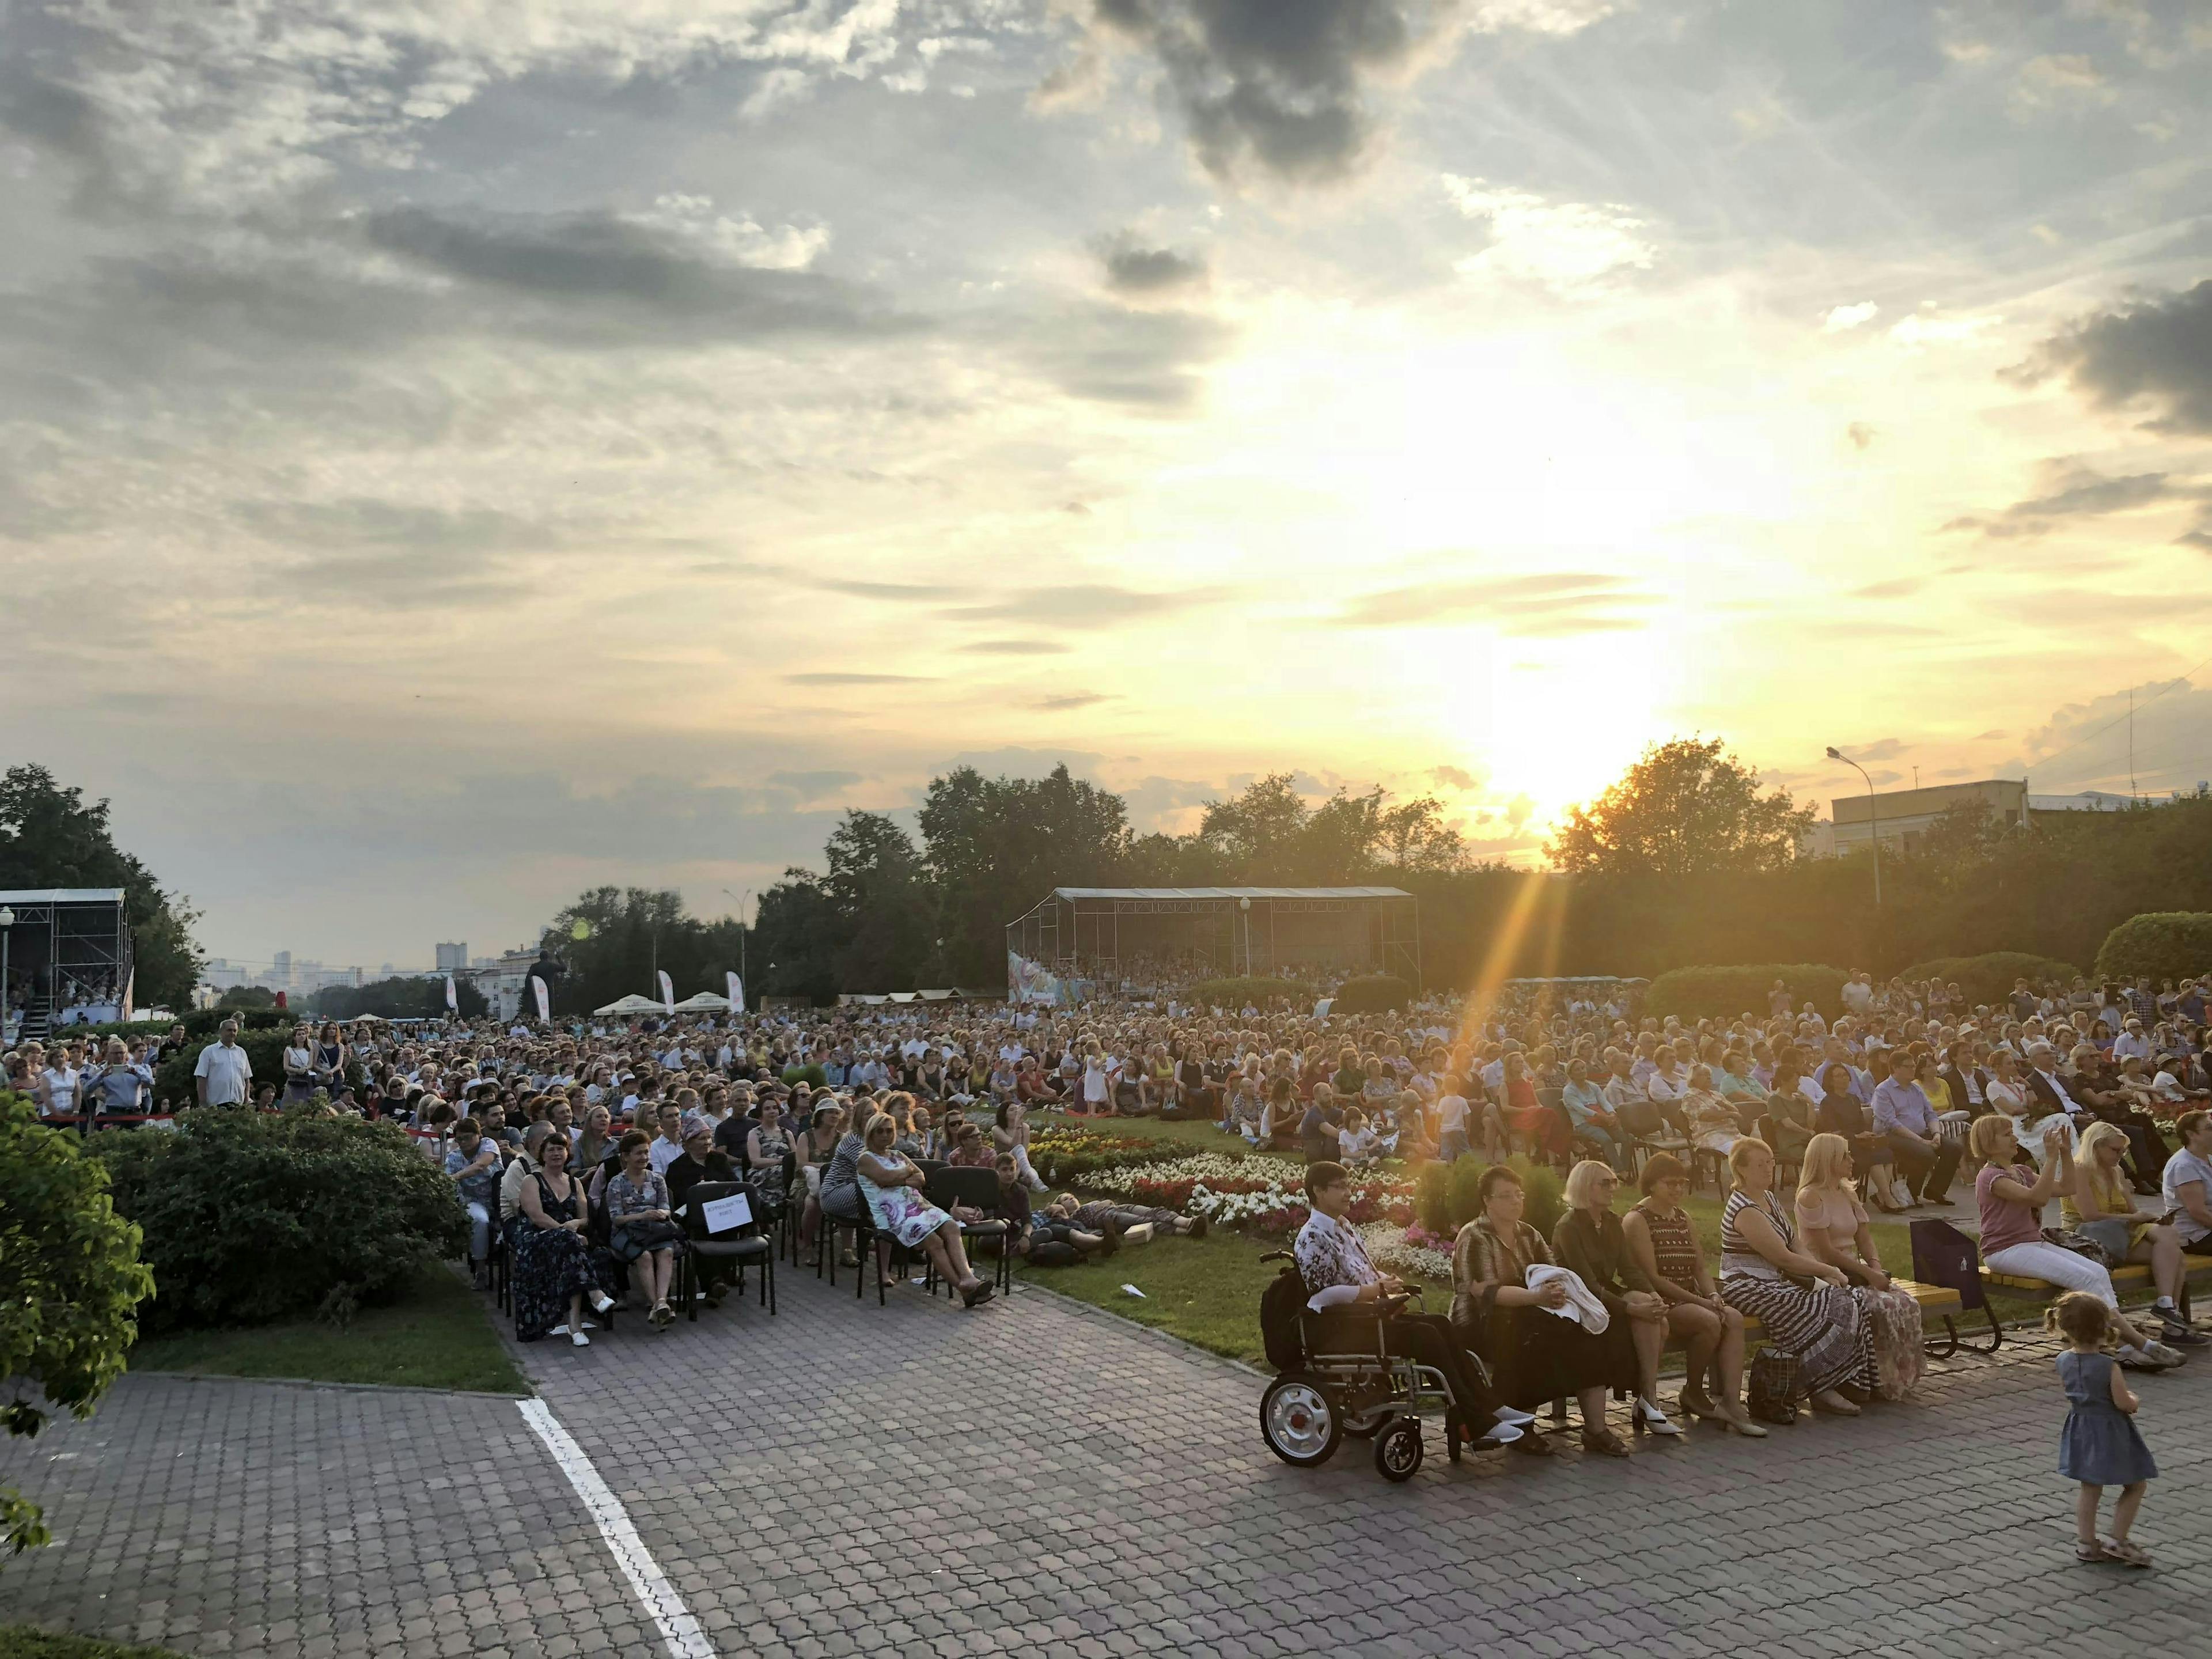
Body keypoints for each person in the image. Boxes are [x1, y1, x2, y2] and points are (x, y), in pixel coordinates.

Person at [1296, 1162, 1527, 1452]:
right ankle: (1478, 1420)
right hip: (1346, 1326)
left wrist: (1384, 1280)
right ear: (1318, 1191)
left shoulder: (1343, 1226)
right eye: (1340, 1187)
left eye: (1348, 1186)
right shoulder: (1312, 1236)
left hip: (1373, 1315)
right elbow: (1320, 1296)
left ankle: (1490, 1406)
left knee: (1441, 1325)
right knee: (1427, 1337)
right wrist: (1373, 1290)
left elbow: (1363, 1271)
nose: (1348, 1193)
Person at [1451, 1163, 1638, 1457]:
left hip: (1528, 1314)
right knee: (1530, 1341)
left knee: (1587, 1338)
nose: (1516, 1201)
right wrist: (1537, 1297)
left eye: (1518, 1194)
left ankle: (1596, 1429)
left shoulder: (1529, 1234)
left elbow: (1554, 1273)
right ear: (1487, 1201)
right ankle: (1521, 1427)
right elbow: (1485, 1292)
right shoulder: (1475, 1237)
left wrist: (1550, 1293)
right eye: (1506, 1196)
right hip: (1480, 1322)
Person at [1967, 1116, 2181, 1372]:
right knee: (2086, 1280)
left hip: (2032, 1243)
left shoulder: (2021, 1172)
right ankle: (2140, 1345)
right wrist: (2051, 1159)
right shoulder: (1991, 1176)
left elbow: (2066, 1186)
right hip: (2005, 1251)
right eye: (2006, 1134)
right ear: (1989, 1143)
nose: (2014, 1138)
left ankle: (2124, 1349)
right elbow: (2039, 1197)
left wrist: (2066, 1153)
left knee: (2098, 1272)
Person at [1718, 1137, 1878, 1416]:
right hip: (1747, 1285)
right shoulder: (1744, 1209)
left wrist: (1821, 1274)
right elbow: (1781, 1256)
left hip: (1777, 1280)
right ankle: (1819, 1386)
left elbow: (1795, 1244)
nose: (1768, 1169)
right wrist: (1827, 1270)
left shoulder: (1767, 1198)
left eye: (1770, 1162)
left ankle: (1846, 1379)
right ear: (1741, 1170)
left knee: (1846, 1299)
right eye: (1760, 1165)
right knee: (1812, 1306)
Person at [1621, 1154, 1763, 1436]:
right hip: (1658, 1297)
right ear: (1651, 1184)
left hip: (1690, 1295)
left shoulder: (1683, 1217)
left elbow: (1699, 1266)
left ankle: (1732, 1402)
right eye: (1669, 1184)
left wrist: (1712, 1294)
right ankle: (1694, 1391)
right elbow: (1653, 1277)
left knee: (1732, 1317)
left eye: (1681, 1184)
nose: (1677, 1190)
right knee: (1709, 1321)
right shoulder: (1638, 1219)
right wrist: (1700, 1301)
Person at [1550, 1160, 1681, 1436]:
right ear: (1586, 1187)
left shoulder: (1612, 1222)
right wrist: (1632, 1309)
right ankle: (1647, 1402)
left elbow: (1629, 1268)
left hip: (1605, 1292)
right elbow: (1586, 1284)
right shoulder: (1569, 1227)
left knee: (1656, 1314)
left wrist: (1653, 1296)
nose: (1613, 1189)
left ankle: (1648, 1399)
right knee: (1649, 1317)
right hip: (1578, 1300)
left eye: (1614, 1182)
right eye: (1605, 1183)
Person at [1794, 1133, 1926, 1399]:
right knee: (1881, 1307)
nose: (1852, 1160)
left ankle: (1896, 1376)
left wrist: (1875, 1267)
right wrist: (1867, 1273)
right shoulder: (1810, 1197)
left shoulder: (1847, 1191)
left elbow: (1864, 1237)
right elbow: (1825, 1251)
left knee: (1907, 1304)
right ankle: (1871, 1379)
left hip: (1855, 1268)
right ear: (1828, 1159)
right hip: (1826, 1273)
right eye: (1845, 1155)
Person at [2063, 1121, 2203, 1349]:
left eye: (2124, 1151)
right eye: (2115, 1150)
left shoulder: (2116, 1171)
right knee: (2175, 1254)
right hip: (2086, 1235)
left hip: (2120, 1233)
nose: (2121, 1155)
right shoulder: (2079, 1169)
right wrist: (2134, 1219)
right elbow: (2088, 1215)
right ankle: (2172, 1324)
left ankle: (2167, 1307)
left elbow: (2131, 1212)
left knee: (2169, 1239)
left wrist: (2150, 1218)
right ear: (2096, 1146)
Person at [2049, 1291, 2157, 1567]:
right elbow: (2123, 1403)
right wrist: (2134, 1400)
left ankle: (2086, 1543)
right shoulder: (2108, 1366)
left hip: (2081, 1427)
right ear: (2103, 1327)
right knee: (2135, 1484)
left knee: (2090, 1486)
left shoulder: (2063, 1361)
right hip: (2110, 1431)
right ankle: (2118, 1540)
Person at [856, 1112, 995, 1308]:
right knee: (934, 1240)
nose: (886, 1135)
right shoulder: (866, 1159)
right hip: (893, 1213)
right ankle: (964, 1289)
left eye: (889, 1131)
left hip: (917, 1204)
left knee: (951, 1227)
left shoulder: (898, 1155)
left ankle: (967, 1277)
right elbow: (884, 1178)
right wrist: (905, 1174)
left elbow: (920, 1178)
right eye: (880, 1131)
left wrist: (897, 1179)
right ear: (870, 1133)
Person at [513, 1132, 618, 1347]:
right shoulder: (531, 1180)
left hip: (570, 1242)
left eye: (560, 1149)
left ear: (567, 1153)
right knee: (569, 1244)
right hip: (536, 1239)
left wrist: (576, 1226)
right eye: (550, 1149)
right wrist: (568, 1231)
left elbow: (585, 1218)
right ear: (542, 1154)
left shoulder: (575, 1182)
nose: (556, 1153)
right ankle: (595, 1296)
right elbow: (537, 1217)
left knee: (582, 1254)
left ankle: (575, 1322)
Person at [605, 1129, 681, 1328]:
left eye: (646, 1152)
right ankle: (659, 1305)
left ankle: (660, 1303)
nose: (644, 1157)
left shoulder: (657, 1180)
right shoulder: (617, 1183)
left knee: (666, 1251)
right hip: (626, 1231)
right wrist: (642, 1215)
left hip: (654, 1229)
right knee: (645, 1256)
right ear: (626, 1157)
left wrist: (662, 1214)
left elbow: (666, 1207)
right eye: (639, 1153)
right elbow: (616, 1219)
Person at [1870, 1049, 1961, 1206]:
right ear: (1895, 1068)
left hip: (1920, 1132)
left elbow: (1930, 1114)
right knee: (1926, 1153)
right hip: (1892, 1136)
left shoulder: (1916, 1089)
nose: (1914, 1069)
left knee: (1954, 1149)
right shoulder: (1883, 1090)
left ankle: (1935, 1191)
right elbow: (1891, 1123)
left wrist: (1937, 1134)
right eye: (1909, 1067)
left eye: (1914, 1066)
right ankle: (1911, 1194)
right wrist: (1920, 1140)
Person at [445, 1116, 505, 1284]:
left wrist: (455, 1177)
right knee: (480, 1221)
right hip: (474, 1201)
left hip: (502, 1199)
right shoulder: (453, 1158)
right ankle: (481, 1271)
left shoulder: (488, 1144)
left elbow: (480, 1165)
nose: (464, 1142)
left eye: (469, 1137)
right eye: (460, 1139)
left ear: (479, 1135)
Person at [2161, 1108, 2212, 1254]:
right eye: (2210, 1128)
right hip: (2196, 1235)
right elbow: (2198, 1212)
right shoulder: (2184, 1166)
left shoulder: (2208, 1159)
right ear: (2191, 1134)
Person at [194, 1021, 253, 1108]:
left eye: (235, 1031)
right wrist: (203, 1102)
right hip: (215, 1105)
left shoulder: (241, 1052)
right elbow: (201, 1078)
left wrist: (247, 1099)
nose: (232, 1033)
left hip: (238, 1105)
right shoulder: (209, 1052)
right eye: (229, 1030)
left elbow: (246, 1078)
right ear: (221, 1031)